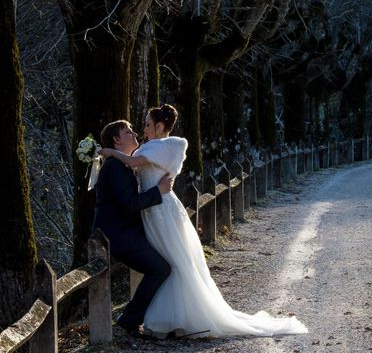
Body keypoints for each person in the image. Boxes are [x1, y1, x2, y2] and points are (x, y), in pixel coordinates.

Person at [99, 104, 308, 339]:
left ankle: (178, 317)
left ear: (159, 126)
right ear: (117, 139)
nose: (140, 131)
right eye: (132, 131)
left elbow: (135, 164)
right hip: (150, 213)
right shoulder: (136, 154)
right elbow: (131, 175)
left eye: (147, 125)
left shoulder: (167, 146)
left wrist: (110, 152)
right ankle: (164, 317)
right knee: (166, 264)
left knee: (175, 262)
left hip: (161, 211)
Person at [92, 120, 174, 338]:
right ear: (116, 139)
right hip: (118, 237)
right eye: (128, 132)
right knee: (160, 268)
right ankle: (129, 320)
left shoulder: (122, 165)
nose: (135, 133)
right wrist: (159, 191)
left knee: (165, 263)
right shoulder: (113, 167)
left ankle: (152, 317)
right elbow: (129, 203)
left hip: (127, 233)